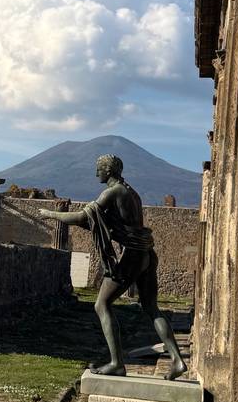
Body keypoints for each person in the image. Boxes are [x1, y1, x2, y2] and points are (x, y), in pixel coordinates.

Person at [39, 154, 187, 380]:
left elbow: (82, 218)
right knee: (151, 308)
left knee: (102, 304)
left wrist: (51, 214)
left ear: (108, 171)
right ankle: (177, 360)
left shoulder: (113, 192)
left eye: (98, 169)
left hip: (134, 256)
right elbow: (109, 223)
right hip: (147, 253)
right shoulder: (132, 192)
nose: (96, 173)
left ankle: (117, 363)